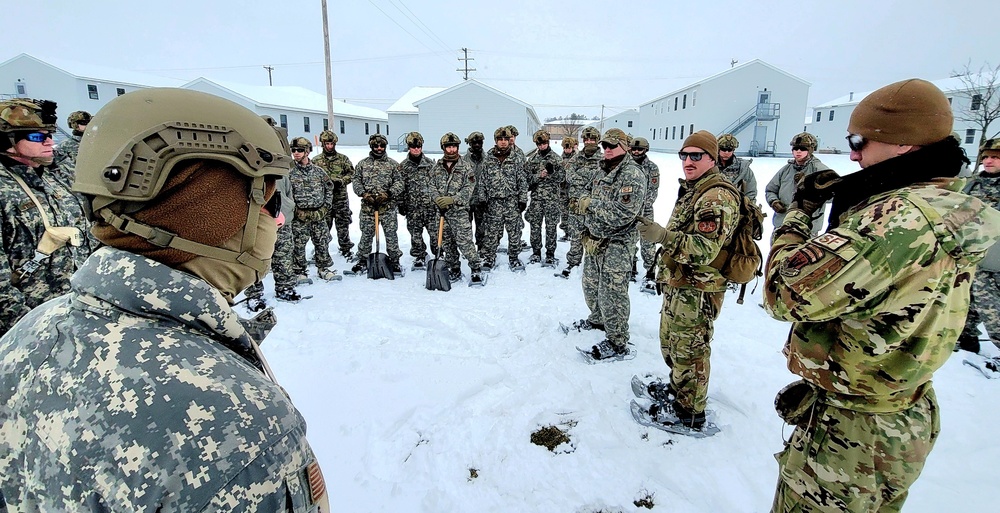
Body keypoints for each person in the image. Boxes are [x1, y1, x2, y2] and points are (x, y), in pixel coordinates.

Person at [0, 87, 329, 511]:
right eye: (268, 201)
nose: (278, 219)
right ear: (208, 215)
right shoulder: (238, 428)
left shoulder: (29, 334)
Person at [763, 79, 1000, 512]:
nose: (852, 154)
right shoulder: (953, 204)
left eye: (859, 141)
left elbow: (784, 292)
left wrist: (799, 214)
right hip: (901, 412)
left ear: (903, 145)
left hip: (852, 434)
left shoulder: (896, 221)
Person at [635, 130, 741, 429]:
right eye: (684, 155)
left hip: (698, 287)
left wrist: (663, 236)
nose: (688, 161)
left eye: (697, 156)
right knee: (672, 344)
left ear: (712, 158)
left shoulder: (716, 196)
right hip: (682, 282)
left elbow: (705, 249)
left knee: (690, 349)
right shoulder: (696, 188)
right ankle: (678, 390)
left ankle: (690, 412)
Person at [0, 98, 94, 337]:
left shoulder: (55, 176)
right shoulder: (4, 190)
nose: (49, 142)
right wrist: (29, 332)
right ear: (6, 140)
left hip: (79, 310)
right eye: (37, 137)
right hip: (33, 323)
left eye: (49, 134)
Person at [574, 128, 646, 359]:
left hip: (617, 242)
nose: (607, 150)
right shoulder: (602, 169)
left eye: (612, 146)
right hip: (596, 239)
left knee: (613, 292)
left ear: (624, 147)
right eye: (605, 146)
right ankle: (597, 320)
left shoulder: (631, 174)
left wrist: (590, 205)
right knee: (591, 285)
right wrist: (584, 206)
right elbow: (587, 192)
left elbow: (623, 213)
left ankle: (617, 341)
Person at [956, 137, 1000, 354]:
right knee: (966, 304)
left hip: (995, 262)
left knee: (993, 312)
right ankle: (967, 340)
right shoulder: (973, 183)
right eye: (986, 157)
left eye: (995, 158)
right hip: (971, 258)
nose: (989, 161)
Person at [430, 132, 484, 284]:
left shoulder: (465, 167)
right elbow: (431, 186)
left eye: (454, 146)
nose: (452, 149)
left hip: (459, 213)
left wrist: (452, 199)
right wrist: (437, 199)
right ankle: (454, 268)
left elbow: (469, 188)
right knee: (448, 243)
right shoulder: (436, 168)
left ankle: (475, 268)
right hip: (442, 213)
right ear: (443, 148)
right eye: (449, 147)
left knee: (465, 242)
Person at [288, 136, 339, 282]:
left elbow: (329, 188)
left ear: (307, 152)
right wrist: (295, 210)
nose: (296, 153)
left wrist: (325, 207)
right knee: (298, 243)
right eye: (293, 150)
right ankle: (299, 271)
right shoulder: (289, 173)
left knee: (322, 241)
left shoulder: (318, 171)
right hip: (299, 216)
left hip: (318, 214)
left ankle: (323, 268)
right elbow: (285, 193)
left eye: (300, 150)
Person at [352, 133, 404, 275]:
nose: (379, 148)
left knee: (391, 235)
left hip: (387, 207)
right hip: (368, 208)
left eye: (382, 146)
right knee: (366, 234)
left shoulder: (393, 164)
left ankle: (394, 261)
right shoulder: (363, 164)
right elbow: (356, 181)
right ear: (371, 146)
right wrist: (364, 194)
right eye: (376, 146)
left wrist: (388, 194)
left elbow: (400, 182)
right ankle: (363, 259)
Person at [479, 126, 528, 271]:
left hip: (511, 202)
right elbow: (483, 181)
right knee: (492, 232)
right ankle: (489, 257)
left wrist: (522, 199)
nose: (503, 142)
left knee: (515, 232)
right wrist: (483, 199)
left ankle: (514, 257)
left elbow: (522, 181)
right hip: (494, 202)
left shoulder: (516, 158)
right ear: (495, 141)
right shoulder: (488, 159)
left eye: (506, 139)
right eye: (500, 139)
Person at [765, 132, 830, 236]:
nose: (798, 151)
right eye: (795, 148)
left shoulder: (821, 170)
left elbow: (834, 194)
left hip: (807, 229)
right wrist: (774, 201)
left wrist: (809, 185)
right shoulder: (785, 170)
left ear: (810, 150)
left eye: (803, 149)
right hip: (782, 226)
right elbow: (771, 189)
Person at [559, 126, 603, 278]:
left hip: (594, 207)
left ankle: (594, 267)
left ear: (597, 141)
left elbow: (603, 180)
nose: (589, 142)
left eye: (592, 139)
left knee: (595, 238)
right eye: (586, 139)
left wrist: (582, 178)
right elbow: (569, 176)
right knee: (575, 236)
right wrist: (590, 178)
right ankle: (573, 262)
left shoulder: (604, 159)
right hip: (576, 206)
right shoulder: (575, 158)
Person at [312, 129, 355, 259]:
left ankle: (345, 248)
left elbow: (352, 174)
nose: (329, 146)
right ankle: (321, 250)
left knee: (343, 225)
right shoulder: (316, 161)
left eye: (331, 144)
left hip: (340, 199)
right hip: (324, 200)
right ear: (323, 144)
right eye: (327, 144)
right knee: (324, 227)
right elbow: (312, 177)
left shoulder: (343, 159)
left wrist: (341, 181)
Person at [524, 130, 565, 265]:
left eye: (544, 143)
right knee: (535, 226)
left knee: (551, 227)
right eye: (539, 144)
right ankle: (536, 253)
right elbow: (527, 181)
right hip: (536, 200)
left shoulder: (557, 159)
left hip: (552, 200)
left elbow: (563, 179)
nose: (542, 146)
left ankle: (550, 254)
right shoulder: (532, 160)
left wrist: (552, 173)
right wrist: (538, 176)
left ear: (548, 142)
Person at [398, 131, 438, 270]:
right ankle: (419, 255)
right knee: (415, 234)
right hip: (413, 208)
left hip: (430, 207)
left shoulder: (430, 164)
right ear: (409, 147)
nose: (416, 149)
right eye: (413, 146)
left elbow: (437, 184)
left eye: (418, 146)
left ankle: (439, 253)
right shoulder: (403, 167)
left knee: (435, 233)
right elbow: (400, 187)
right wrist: (401, 204)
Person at [629, 136, 660, 285]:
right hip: (628, 211)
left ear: (645, 150)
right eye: (633, 149)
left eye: (639, 149)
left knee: (648, 241)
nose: (636, 152)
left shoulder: (652, 168)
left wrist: (641, 206)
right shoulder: (625, 166)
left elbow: (653, 191)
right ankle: (631, 266)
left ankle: (650, 270)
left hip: (645, 211)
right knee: (630, 240)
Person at [463, 131, 488, 249]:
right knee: (465, 228)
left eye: (479, 142)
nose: (477, 145)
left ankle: (481, 248)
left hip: (482, 200)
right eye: (474, 143)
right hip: (467, 201)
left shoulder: (488, 160)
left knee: (482, 227)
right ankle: (468, 249)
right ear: (470, 144)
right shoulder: (462, 161)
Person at [716, 133, 758, 202]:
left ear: (733, 150)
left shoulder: (743, 169)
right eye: (723, 149)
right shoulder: (710, 166)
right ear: (718, 150)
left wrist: (747, 207)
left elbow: (751, 192)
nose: (726, 153)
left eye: (729, 150)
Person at [52, 109, 91, 173]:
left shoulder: (93, 142)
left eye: (89, 122)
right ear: (75, 124)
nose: (87, 125)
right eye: (83, 123)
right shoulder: (65, 145)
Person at [558, 136, 578, 241]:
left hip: (574, 190)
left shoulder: (577, 159)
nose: (567, 150)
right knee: (564, 211)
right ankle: (566, 231)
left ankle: (574, 232)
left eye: (569, 148)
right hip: (563, 190)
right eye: (565, 148)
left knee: (574, 211)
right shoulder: (560, 158)